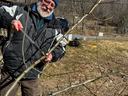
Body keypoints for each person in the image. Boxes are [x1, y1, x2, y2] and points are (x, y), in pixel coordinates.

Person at [0, 0, 68, 96]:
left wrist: (52, 55)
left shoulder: (55, 26)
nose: (48, 6)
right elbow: (1, 12)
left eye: (52, 5)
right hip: (10, 70)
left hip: (33, 73)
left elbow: (62, 46)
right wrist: (10, 20)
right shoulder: (20, 11)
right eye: (47, 2)